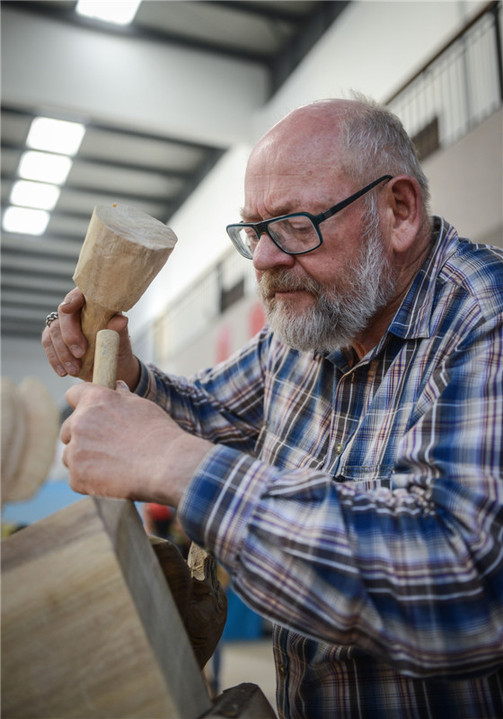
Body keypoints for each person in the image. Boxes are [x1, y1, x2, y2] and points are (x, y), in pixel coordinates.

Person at [42, 97, 503, 718]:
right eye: (254, 230)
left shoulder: (485, 322)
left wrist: (175, 464)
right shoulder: (306, 333)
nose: (263, 259)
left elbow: (466, 587)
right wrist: (129, 371)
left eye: (294, 224)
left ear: (399, 210)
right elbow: (206, 412)